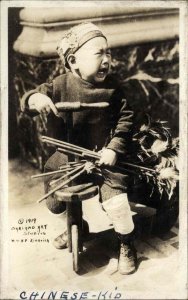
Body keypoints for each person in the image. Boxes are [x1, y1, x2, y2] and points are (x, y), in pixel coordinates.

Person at [21, 22, 137, 275]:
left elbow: (126, 119)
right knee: (57, 195)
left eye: (109, 52)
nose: (107, 59)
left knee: (116, 200)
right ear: (73, 60)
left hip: (103, 155)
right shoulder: (59, 85)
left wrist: (114, 148)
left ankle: (126, 243)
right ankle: (76, 224)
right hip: (68, 154)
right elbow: (33, 96)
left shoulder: (114, 89)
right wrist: (34, 99)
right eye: (99, 53)